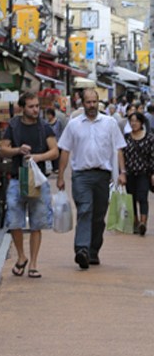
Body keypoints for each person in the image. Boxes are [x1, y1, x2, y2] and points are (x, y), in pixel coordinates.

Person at [56, 86, 127, 269]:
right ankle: (82, 250)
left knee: (98, 215)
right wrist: (61, 175)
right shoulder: (73, 124)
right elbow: (65, 149)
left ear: (99, 103)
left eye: (94, 102)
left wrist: (122, 172)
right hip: (81, 176)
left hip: (103, 176)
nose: (92, 105)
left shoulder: (109, 123)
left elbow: (118, 148)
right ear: (83, 103)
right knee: (85, 210)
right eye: (88, 102)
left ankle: (93, 251)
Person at [0, 91, 59, 279]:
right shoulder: (14, 126)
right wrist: (18, 150)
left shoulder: (44, 127)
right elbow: (3, 149)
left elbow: (55, 151)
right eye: (31, 106)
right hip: (17, 178)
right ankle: (21, 256)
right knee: (14, 221)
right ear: (22, 107)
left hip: (39, 180)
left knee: (37, 223)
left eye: (37, 106)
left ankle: (33, 264)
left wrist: (38, 157)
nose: (35, 110)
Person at [123, 110, 154, 235]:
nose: (134, 123)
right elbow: (122, 155)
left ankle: (143, 222)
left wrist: (152, 173)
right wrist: (121, 172)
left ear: (141, 122)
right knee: (131, 198)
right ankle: (135, 223)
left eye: (136, 121)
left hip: (144, 173)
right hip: (130, 173)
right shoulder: (126, 138)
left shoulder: (149, 137)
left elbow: (152, 156)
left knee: (142, 197)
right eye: (132, 121)